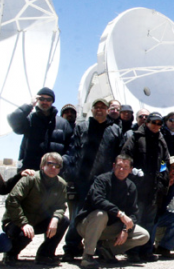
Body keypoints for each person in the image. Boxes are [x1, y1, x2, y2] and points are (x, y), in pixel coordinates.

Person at [61, 98, 120, 261]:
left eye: (103, 107)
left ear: (108, 110)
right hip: (83, 180)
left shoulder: (115, 130)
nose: (99, 110)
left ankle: (97, 248)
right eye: (96, 107)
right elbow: (73, 152)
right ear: (92, 110)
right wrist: (71, 177)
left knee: (102, 216)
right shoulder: (82, 127)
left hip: (105, 182)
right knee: (78, 215)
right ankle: (71, 248)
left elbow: (117, 155)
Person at [75, 155, 150, 268]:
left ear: (130, 170)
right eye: (119, 166)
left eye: (125, 167)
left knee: (143, 235)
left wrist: (125, 229)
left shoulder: (131, 187)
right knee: (101, 214)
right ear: (114, 166)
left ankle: (106, 248)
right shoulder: (102, 180)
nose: (121, 170)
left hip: (110, 228)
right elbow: (97, 200)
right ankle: (87, 256)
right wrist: (120, 214)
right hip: (88, 225)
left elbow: (133, 213)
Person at [121, 111, 172, 262]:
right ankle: (132, 251)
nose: (156, 126)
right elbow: (125, 156)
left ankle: (146, 250)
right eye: (153, 122)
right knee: (136, 219)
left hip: (154, 189)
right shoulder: (136, 137)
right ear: (147, 122)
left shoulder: (161, 141)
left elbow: (164, 161)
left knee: (149, 221)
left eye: (159, 123)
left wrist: (163, 175)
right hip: (137, 188)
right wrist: (132, 170)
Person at [2, 153, 69, 266]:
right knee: (25, 234)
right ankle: (10, 254)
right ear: (42, 165)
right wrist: (23, 223)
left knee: (63, 221)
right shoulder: (30, 179)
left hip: (38, 221)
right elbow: (12, 200)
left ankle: (44, 255)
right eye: (50, 164)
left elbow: (61, 206)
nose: (53, 168)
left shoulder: (61, 184)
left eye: (57, 166)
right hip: (16, 222)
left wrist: (55, 219)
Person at [8, 87, 73, 171]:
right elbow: (13, 120)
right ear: (37, 100)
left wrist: (61, 164)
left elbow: (71, 149)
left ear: (52, 101)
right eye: (41, 98)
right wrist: (29, 105)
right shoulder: (30, 119)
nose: (45, 102)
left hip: (53, 174)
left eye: (48, 99)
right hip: (30, 172)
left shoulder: (63, 124)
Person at [151, 157, 174, 259]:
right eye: (173, 168)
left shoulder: (173, 186)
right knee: (154, 220)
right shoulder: (157, 180)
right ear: (167, 168)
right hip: (150, 214)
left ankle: (164, 248)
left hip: (161, 214)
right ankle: (147, 249)